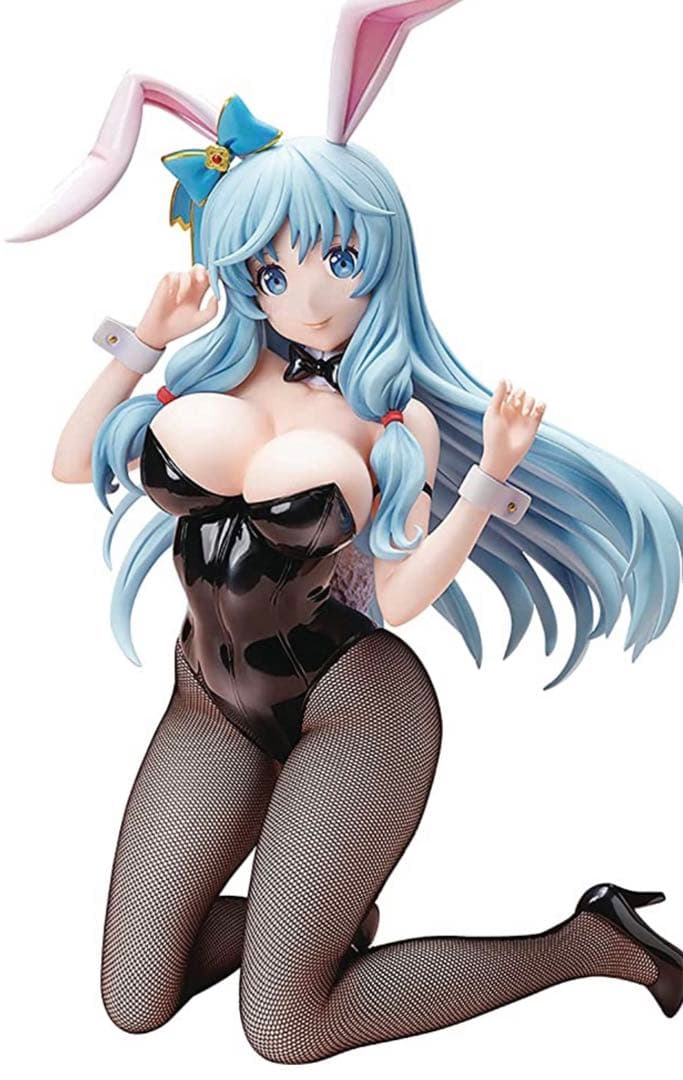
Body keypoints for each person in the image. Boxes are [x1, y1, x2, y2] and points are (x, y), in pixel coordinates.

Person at [9, 0, 682, 1065]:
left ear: (380, 253)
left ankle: (588, 944)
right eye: (272, 273)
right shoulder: (213, 369)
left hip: (355, 706)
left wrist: (486, 479)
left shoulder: (389, 418)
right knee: (132, 999)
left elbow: (398, 597)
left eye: (335, 259)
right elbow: (66, 459)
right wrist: (143, 342)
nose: (306, 297)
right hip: (209, 697)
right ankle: (318, 923)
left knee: (284, 1028)